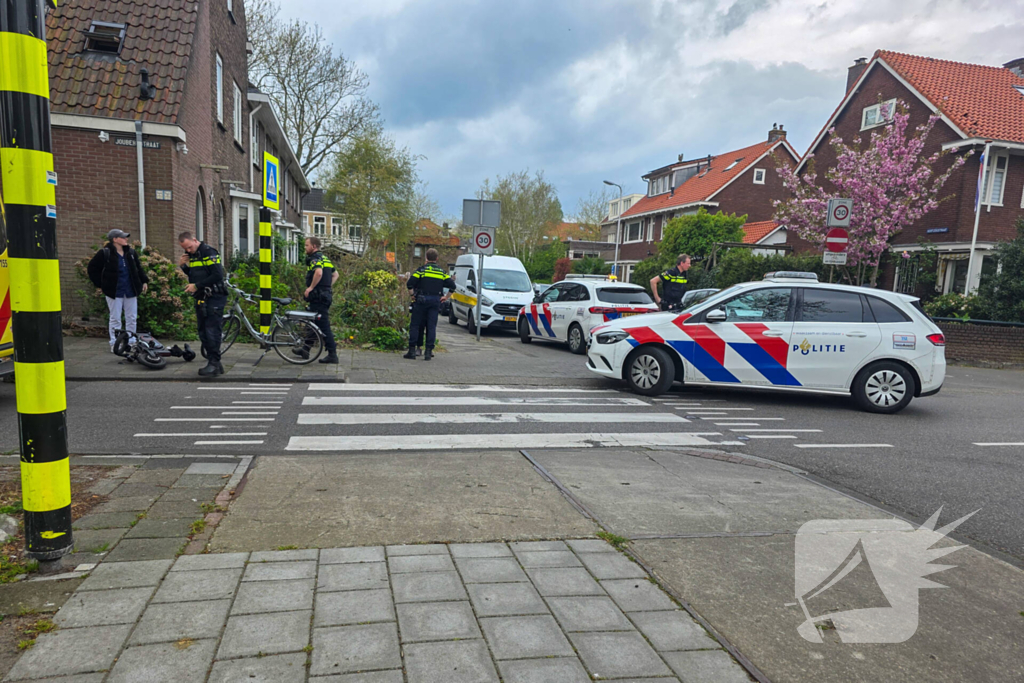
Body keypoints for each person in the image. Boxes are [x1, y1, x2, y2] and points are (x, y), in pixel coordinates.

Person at [87, 229, 149, 352]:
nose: (126, 239)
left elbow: (138, 268)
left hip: (130, 289)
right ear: (115, 239)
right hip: (114, 291)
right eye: (123, 237)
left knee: (132, 317)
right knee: (115, 318)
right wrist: (101, 284)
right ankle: (115, 343)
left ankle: (131, 342)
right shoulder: (105, 253)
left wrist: (144, 281)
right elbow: (92, 268)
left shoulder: (131, 252)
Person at [178, 231, 227, 376]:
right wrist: (183, 266)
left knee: (212, 331)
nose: (188, 251)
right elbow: (195, 275)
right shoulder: (194, 256)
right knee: (203, 332)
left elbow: (218, 275)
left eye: (189, 247)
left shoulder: (208, 252)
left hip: (214, 297)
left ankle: (214, 364)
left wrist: (197, 286)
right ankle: (216, 364)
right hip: (202, 297)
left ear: (194, 240)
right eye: (185, 249)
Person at [404, 248, 455, 361]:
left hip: (421, 300)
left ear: (426, 258)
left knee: (415, 325)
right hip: (435, 301)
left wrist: (412, 295)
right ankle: (428, 352)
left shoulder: (421, 270)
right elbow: (452, 286)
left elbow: (410, 283)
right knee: (431, 326)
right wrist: (446, 297)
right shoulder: (441, 272)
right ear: (436, 258)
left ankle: (412, 351)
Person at [302, 236, 339, 363]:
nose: (305, 248)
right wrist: (327, 287)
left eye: (307, 245)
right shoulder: (325, 259)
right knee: (313, 322)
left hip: (318, 298)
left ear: (314, 247)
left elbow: (318, 273)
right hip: (325, 295)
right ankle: (305, 349)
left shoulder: (315, 258)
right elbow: (335, 274)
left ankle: (332, 354)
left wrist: (311, 288)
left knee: (323, 325)